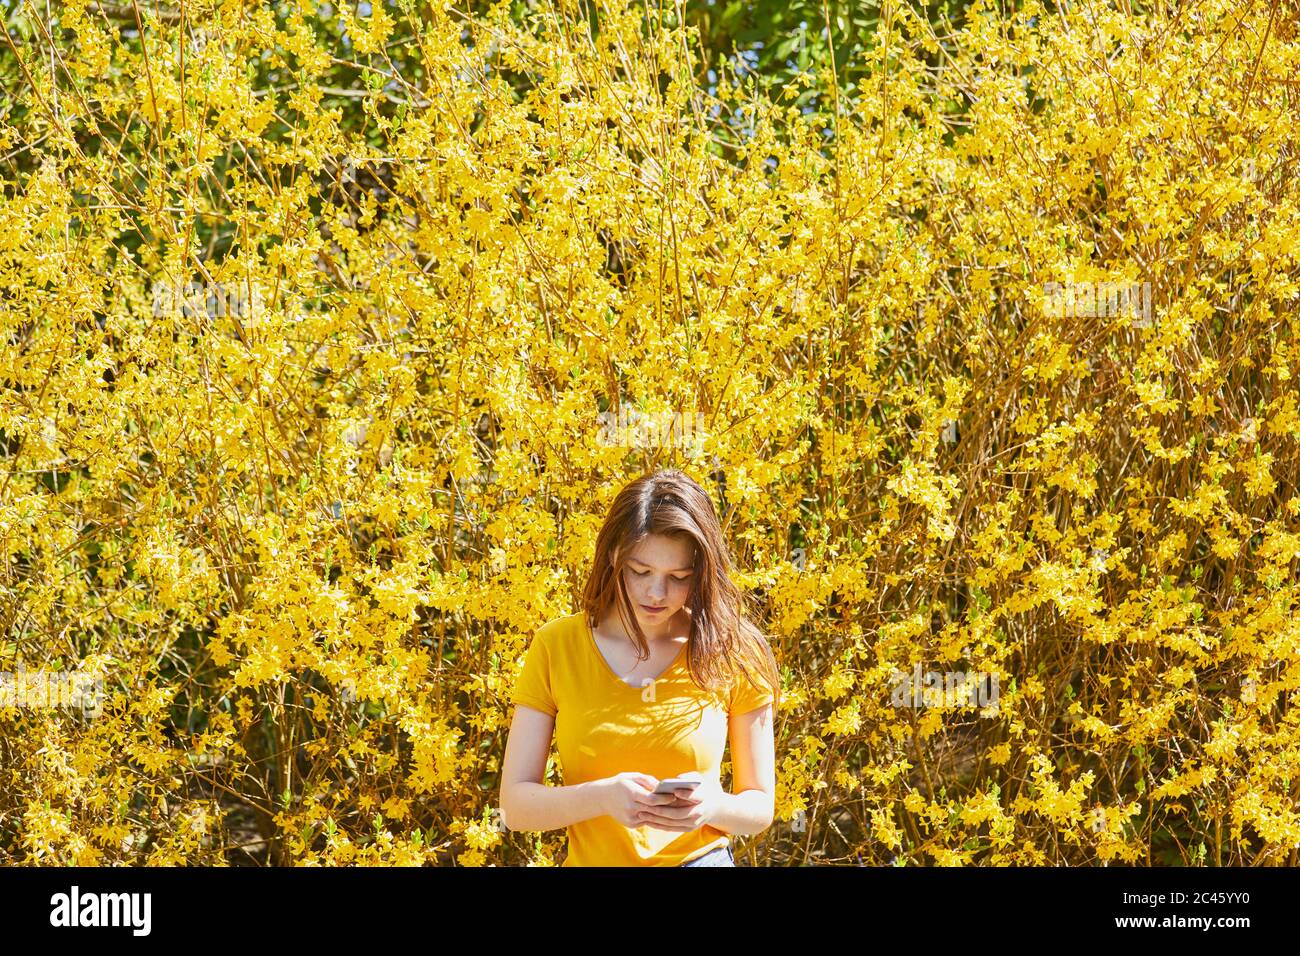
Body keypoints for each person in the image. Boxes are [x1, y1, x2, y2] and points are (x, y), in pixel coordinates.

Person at [499, 467, 781, 866]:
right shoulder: (556, 646)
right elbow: (515, 808)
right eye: (641, 571)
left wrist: (711, 806)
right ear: (614, 555)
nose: (657, 593)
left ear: (700, 572)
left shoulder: (734, 649)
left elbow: (759, 809)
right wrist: (600, 798)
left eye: (678, 576)